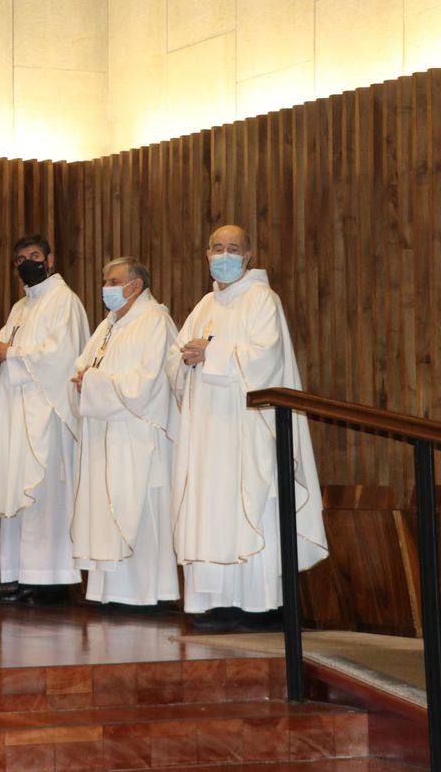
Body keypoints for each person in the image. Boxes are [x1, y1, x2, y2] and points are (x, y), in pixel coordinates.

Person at [166, 224, 327, 629]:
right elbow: (175, 360)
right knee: (210, 510)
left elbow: (266, 359)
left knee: (248, 506)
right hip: (206, 432)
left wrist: (212, 351)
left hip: (247, 427)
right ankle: (217, 602)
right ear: (206, 254)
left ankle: (259, 605)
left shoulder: (261, 299)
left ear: (249, 255)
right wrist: (184, 359)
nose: (224, 255)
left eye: (233, 248)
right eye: (217, 248)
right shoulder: (203, 306)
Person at [0, 234, 89, 605]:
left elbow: (62, 357)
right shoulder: (20, 308)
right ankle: (21, 574)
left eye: (35, 256)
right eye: (21, 258)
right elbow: (9, 356)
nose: (28, 262)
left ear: (50, 259)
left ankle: (51, 581)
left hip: (47, 416)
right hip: (18, 414)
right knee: (19, 492)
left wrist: (13, 353)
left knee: (44, 496)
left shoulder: (65, 302)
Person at [69, 257, 180, 608]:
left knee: (140, 509)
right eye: (105, 281)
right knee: (106, 509)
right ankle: (111, 593)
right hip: (106, 434)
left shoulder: (155, 323)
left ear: (136, 285)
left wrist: (94, 383)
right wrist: (82, 380)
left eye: (114, 281)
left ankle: (150, 595)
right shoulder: (107, 326)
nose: (107, 288)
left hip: (137, 437)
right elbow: (82, 366)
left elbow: (145, 384)